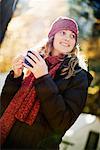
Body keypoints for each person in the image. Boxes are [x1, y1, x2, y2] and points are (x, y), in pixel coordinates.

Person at [0, 16, 93, 149]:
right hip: (7, 138)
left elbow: (62, 122)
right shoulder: (36, 61)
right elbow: (4, 105)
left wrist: (43, 77)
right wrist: (16, 76)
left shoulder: (78, 76)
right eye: (63, 32)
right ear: (53, 36)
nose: (68, 38)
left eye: (72, 36)